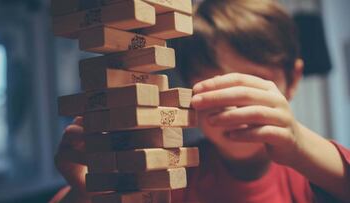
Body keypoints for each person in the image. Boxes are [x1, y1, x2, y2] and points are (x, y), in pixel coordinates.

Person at [51, 0, 350, 202]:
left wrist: (298, 143)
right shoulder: (171, 174)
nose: (233, 107)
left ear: (294, 79)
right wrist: (92, 190)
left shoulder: (314, 176)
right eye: (213, 84)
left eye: (251, 83)